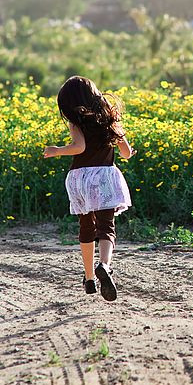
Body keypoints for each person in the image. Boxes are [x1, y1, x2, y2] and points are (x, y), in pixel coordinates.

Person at [44, 76, 135, 301]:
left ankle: (89, 278)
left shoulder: (76, 121)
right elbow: (125, 153)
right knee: (106, 226)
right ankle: (104, 265)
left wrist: (56, 150)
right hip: (103, 175)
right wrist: (129, 152)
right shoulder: (110, 119)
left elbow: (79, 147)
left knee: (86, 226)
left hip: (80, 178)